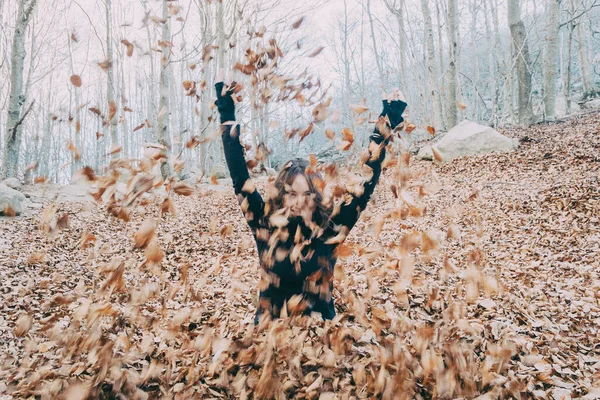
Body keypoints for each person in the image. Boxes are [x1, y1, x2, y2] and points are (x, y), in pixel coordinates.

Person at [214, 69, 407, 323]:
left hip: (321, 338)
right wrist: (226, 112)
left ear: (316, 197)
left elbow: (364, 186)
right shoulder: (264, 223)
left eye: (307, 194)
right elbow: (240, 177)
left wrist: (387, 122)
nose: (299, 201)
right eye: (292, 193)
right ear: (282, 195)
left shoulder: (330, 229)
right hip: (270, 338)